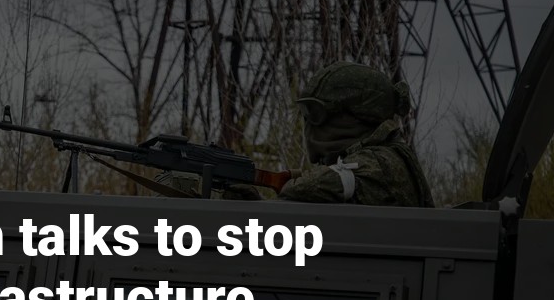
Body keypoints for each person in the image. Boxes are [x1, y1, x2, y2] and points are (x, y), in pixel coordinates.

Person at [157, 61, 434, 207]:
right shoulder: (381, 157)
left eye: (315, 115)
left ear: (352, 116)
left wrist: (275, 192)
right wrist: (260, 209)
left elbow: (317, 186)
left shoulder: (383, 163)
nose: (309, 126)